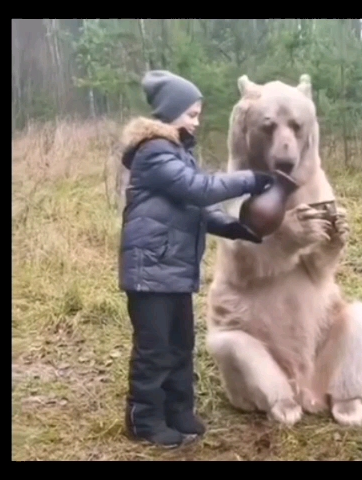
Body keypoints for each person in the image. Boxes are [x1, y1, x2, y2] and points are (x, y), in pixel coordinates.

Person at [118, 70, 275, 448]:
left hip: (172, 269)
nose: (197, 121)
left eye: (199, 113)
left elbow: (194, 209)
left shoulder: (177, 152)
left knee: (180, 344)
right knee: (155, 350)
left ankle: (178, 411)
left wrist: (236, 228)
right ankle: (145, 420)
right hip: (150, 269)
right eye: (191, 114)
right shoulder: (154, 151)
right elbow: (199, 189)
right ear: (170, 113)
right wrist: (251, 179)